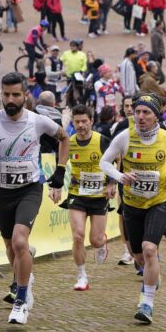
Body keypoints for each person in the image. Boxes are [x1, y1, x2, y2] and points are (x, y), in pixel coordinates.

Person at [0, 72, 70, 324]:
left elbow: (65, 137)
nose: (10, 99)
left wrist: (59, 170)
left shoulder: (37, 121)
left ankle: (21, 301)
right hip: (2, 191)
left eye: (15, 94)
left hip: (29, 189)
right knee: (11, 249)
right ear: (1, 95)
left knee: (19, 240)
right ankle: (25, 276)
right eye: (6, 94)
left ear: (26, 95)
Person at [100, 94, 166, 323]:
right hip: (132, 204)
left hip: (158, 201)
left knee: (149, 249)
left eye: (146, 112)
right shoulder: (124, 137)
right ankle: (152, 276)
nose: (141, 116)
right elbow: (104, 162)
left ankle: (146, 303)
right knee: (138, 256)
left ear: (156, 116)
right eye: (138, 112)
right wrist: (120, 176)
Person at [62, 105, 114, 291]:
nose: (81, 125)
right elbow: (60, 164)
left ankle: (102, 244)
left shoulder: (102, 141)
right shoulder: (69, 141)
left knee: (95, 240)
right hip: (77, 195)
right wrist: (55, 186)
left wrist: (111, 183)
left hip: (99, 196)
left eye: (85, 121)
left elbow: (116, 161)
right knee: (78, 235)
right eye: (77, 122)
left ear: (91, 121)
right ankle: (81, 276)